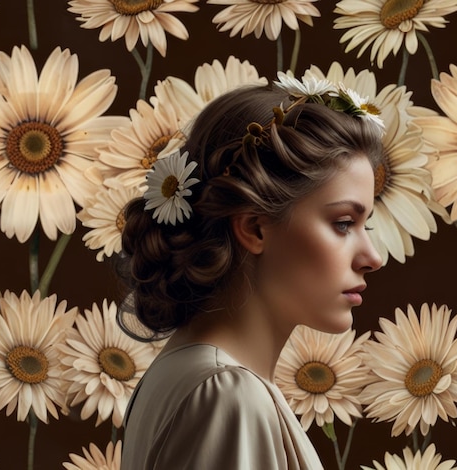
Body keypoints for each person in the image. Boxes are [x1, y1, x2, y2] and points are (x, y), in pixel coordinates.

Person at [117, 77, 384, 469]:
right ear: (255, 228)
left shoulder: (183, 373)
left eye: (367, 226)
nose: (372, 257)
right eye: (343, 223)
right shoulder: (225, 393)